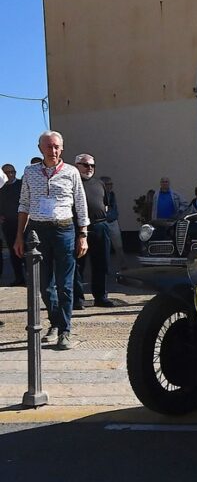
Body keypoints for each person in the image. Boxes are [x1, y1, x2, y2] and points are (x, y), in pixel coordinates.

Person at [14, 131, 89, 349]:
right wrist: (19, 236)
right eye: (48, 146)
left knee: (65, 285)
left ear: (62, 148)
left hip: (64, 230)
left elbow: (80, 204)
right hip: (37, 232)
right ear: (40, 148)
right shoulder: (30, 172)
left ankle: (64, 330)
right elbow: (23, 204)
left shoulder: (71, 172)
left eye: (56, 146)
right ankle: (55, 323)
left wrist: (83, 234)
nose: (52, 150)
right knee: (45, 286)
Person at [73, 155, 114, 308]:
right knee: (78, 265)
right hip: (78, 228)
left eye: (92, 165)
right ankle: (77, 299)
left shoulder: (99, 183)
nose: (89, 168)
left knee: (101, 263)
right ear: (77, 165)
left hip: (100, 227)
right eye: (85, 165)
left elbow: (105, 204)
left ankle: (101, 297)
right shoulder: (72, 183)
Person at [0, 165, 26, 285]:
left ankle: (31, 277)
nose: (10, 175)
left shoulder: (22, 185)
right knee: (13, 251)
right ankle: (19, 277)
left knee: (27, 249)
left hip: (23, 223)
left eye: (12, 172)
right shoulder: (1, 187)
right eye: (6, 173)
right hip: (8, 224)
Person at [101, 175, 125, 266]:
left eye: (111, 184)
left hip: (113, 221)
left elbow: (114, 207)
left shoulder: (112, 195)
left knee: (118, 245)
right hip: (104, 221)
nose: (110, 186)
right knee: (105, 247)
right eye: (108, 184)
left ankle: (122, 264)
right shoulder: (100, 195)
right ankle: (105, 267)